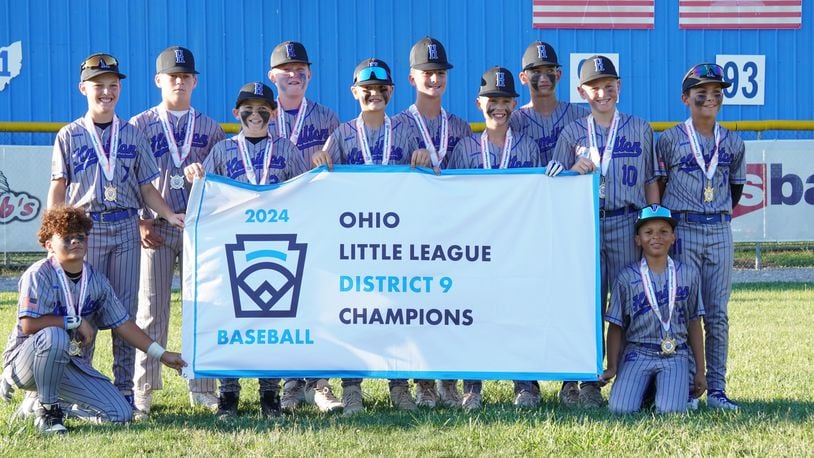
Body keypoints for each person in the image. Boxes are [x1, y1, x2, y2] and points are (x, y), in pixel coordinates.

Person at [47, 53, 184, 411]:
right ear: (83, 89)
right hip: (84, 229)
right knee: (84, 310)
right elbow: (59, 189)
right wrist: (52, 234)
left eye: (113, 85)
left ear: (119, 88)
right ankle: (81, 387)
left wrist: (168, 214)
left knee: (124, 312)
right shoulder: (70, 135)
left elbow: (147, 188)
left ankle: (124, 389)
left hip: (124, 226)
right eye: (99, 86)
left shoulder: (134, 134)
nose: (106, 92)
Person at [311, 58, 431, 415]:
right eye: (367, 90)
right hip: (356, 241)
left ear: (391, 92)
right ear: (355, 93)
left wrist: (424, 159)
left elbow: (430, 176)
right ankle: (352, 389)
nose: (374, 95)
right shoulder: (343, 134)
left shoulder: (407, 131)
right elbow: (318, 179)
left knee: (397, 311)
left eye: (381, 90)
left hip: (395, 239)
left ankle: (399, 386)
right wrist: (319, 159)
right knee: (353, 312)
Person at [0, 206, 186, 434]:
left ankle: (42, 404)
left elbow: (123, 324)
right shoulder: (38, 274)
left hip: (66, 360)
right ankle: (48, 413)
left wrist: (163, 354)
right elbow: (29, 325)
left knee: (120, 413)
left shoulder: (95, 279)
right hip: (25, 361)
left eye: (80, 237)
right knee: (55, 335)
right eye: (66, 238)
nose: (75, 242)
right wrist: (74, 321)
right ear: (49, 245)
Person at [184, 81, 306, 420]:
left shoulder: (287, 150)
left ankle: (270, 393)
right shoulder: (223, 150)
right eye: (248, 108)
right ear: (236, 113)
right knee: (231, 316)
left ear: (275, 111)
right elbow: (203, 194)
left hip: (276, 246)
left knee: (273, 318)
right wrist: (194, 175)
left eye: (263, 107)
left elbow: (305, 194)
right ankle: (229, 394)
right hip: (233, 247)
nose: (256, 114)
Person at [551, 55, 659, 408]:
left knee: (629, 303)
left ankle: (633, 378)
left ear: (619, 86)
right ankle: (579, 380)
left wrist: (651, 224)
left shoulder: (640, 128)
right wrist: (570, 169)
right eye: (594, 86)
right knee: (585, 303)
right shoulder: (571, 132)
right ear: (583, 91)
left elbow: (650, 181)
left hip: (627, 222)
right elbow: (556, 182)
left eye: (608, 84)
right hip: (585, 223)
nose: (602, 92)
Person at [129, 46, 225, 417]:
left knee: (203, 306)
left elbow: (221, 180)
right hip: (155, 226)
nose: (179, 82)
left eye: (185, 76)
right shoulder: (138, 125)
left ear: (195, 81)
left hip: (198, 227)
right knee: (152, 309)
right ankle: (144, 388)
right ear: (159, 81)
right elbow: (128, 177)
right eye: (173, 76)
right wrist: (140, 220)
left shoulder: (210, 128)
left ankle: (202, 386)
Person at [446, 66, 540, 411]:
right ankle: (473, 385)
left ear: (515, 103)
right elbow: (453, 198)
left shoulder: (529, 147)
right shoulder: (466, 147)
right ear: (478, 103)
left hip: (517, 244)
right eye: (492, 100)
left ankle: (525, 384)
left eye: (505, 100)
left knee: (519, 311)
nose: (499, 107)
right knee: (475, 313)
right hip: (476, 246)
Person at [654, 63, 745, 410]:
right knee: (685, 310)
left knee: (717, 313)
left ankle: (718, 389)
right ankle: (691, 387)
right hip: (685, 227)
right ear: (686, 98)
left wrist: (715, 211)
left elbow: (734, 190)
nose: (710, 98)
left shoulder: (733, 141)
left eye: (716, 92)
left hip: (719, 227)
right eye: (701, 92)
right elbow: (660, 188)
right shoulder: (670, 140)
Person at [390, 36, 472, 409]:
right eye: (427, 73)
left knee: (448, 305)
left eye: (439, 73)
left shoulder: (460, 126)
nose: (434, 80)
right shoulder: (395, 125)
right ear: (411, 78)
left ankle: (448, 378)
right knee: (412, 304)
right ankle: (417, 381)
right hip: (408, 228)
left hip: (451, 230)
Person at [510, 40, 590, 405]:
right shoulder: (512, 116)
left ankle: (571, 378)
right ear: (524, 77)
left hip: (567, 221)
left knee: (570, 299)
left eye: (549, 72)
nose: (543, 78)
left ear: (559, 74)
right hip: (525, 223)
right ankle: (525, 381)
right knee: (524, 298)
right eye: (535, 73)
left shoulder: (578, 116)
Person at [266, 40, 343, 414]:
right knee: (283, 302)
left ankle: (319, 383)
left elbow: (341, 171)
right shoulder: (261, 115)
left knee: (317, 301)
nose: (294, 75)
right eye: (286, 70)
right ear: (272, 76)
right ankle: (289, 385)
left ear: (309, 74)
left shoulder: (328, 119)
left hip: (315, 221)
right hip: (273, 223)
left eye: (301, 69)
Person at [599, 204, 706, 414]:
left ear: (673, 237)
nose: (656, 237)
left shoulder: (688, 274)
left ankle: (668, 391)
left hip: (675, 353)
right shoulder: (626, 277)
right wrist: (612, 366)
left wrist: (701, 371)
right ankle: (647, 390)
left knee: (670, 411)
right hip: (638, 352)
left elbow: (694, 323)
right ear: (638, 239)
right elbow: (615, 326)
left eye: (663, 232)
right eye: (648, 232)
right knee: (619, 409)